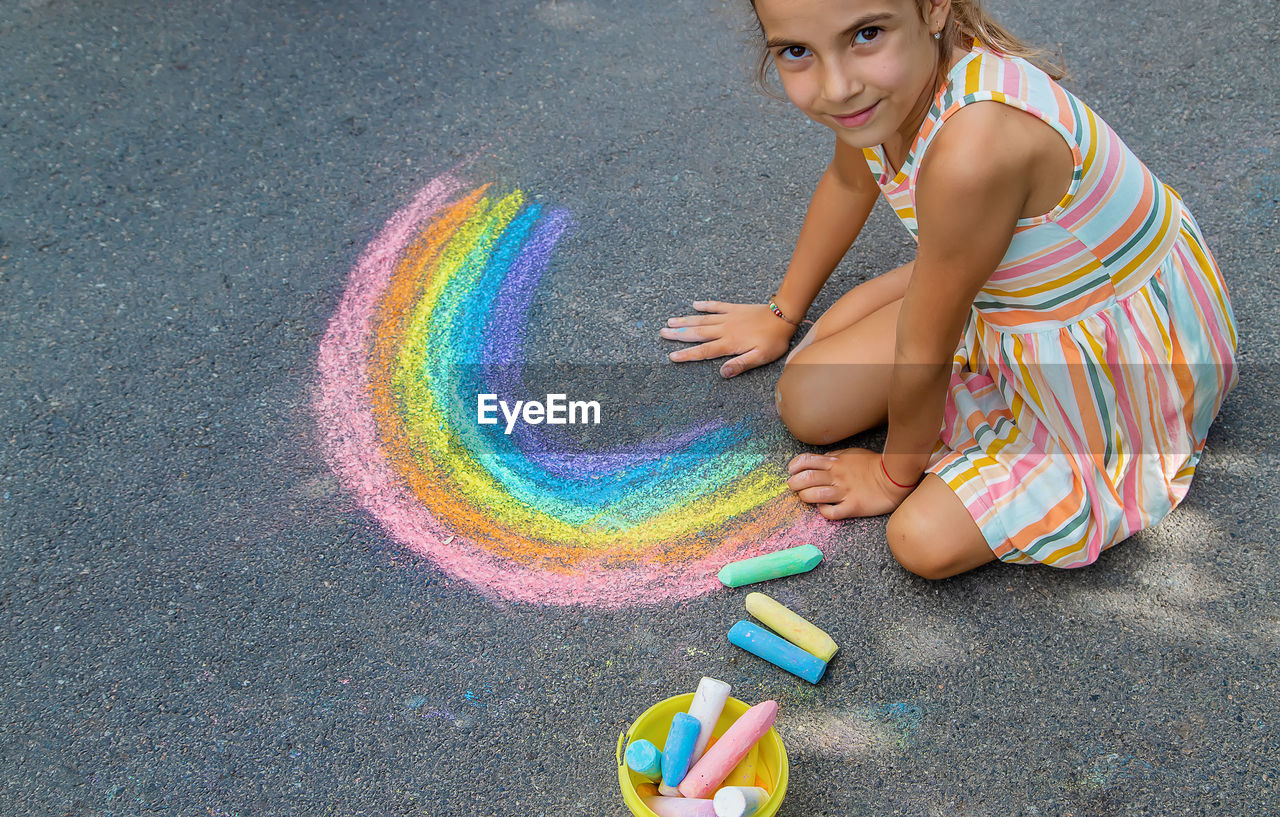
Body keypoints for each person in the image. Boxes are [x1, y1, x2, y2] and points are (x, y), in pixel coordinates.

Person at [661, 0, 1237, 579]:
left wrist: (892, 476)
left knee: (921, 540)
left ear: (933, 8)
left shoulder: (975, 148)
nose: (836, 86)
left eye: (865, 34)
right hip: (1015, 296)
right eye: (797, 52)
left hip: (1116, 360)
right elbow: (847, 180)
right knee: (807, 403)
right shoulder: (884, 95)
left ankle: (947, 279)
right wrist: (781, 315)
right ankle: (946, 273)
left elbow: (924, 347)